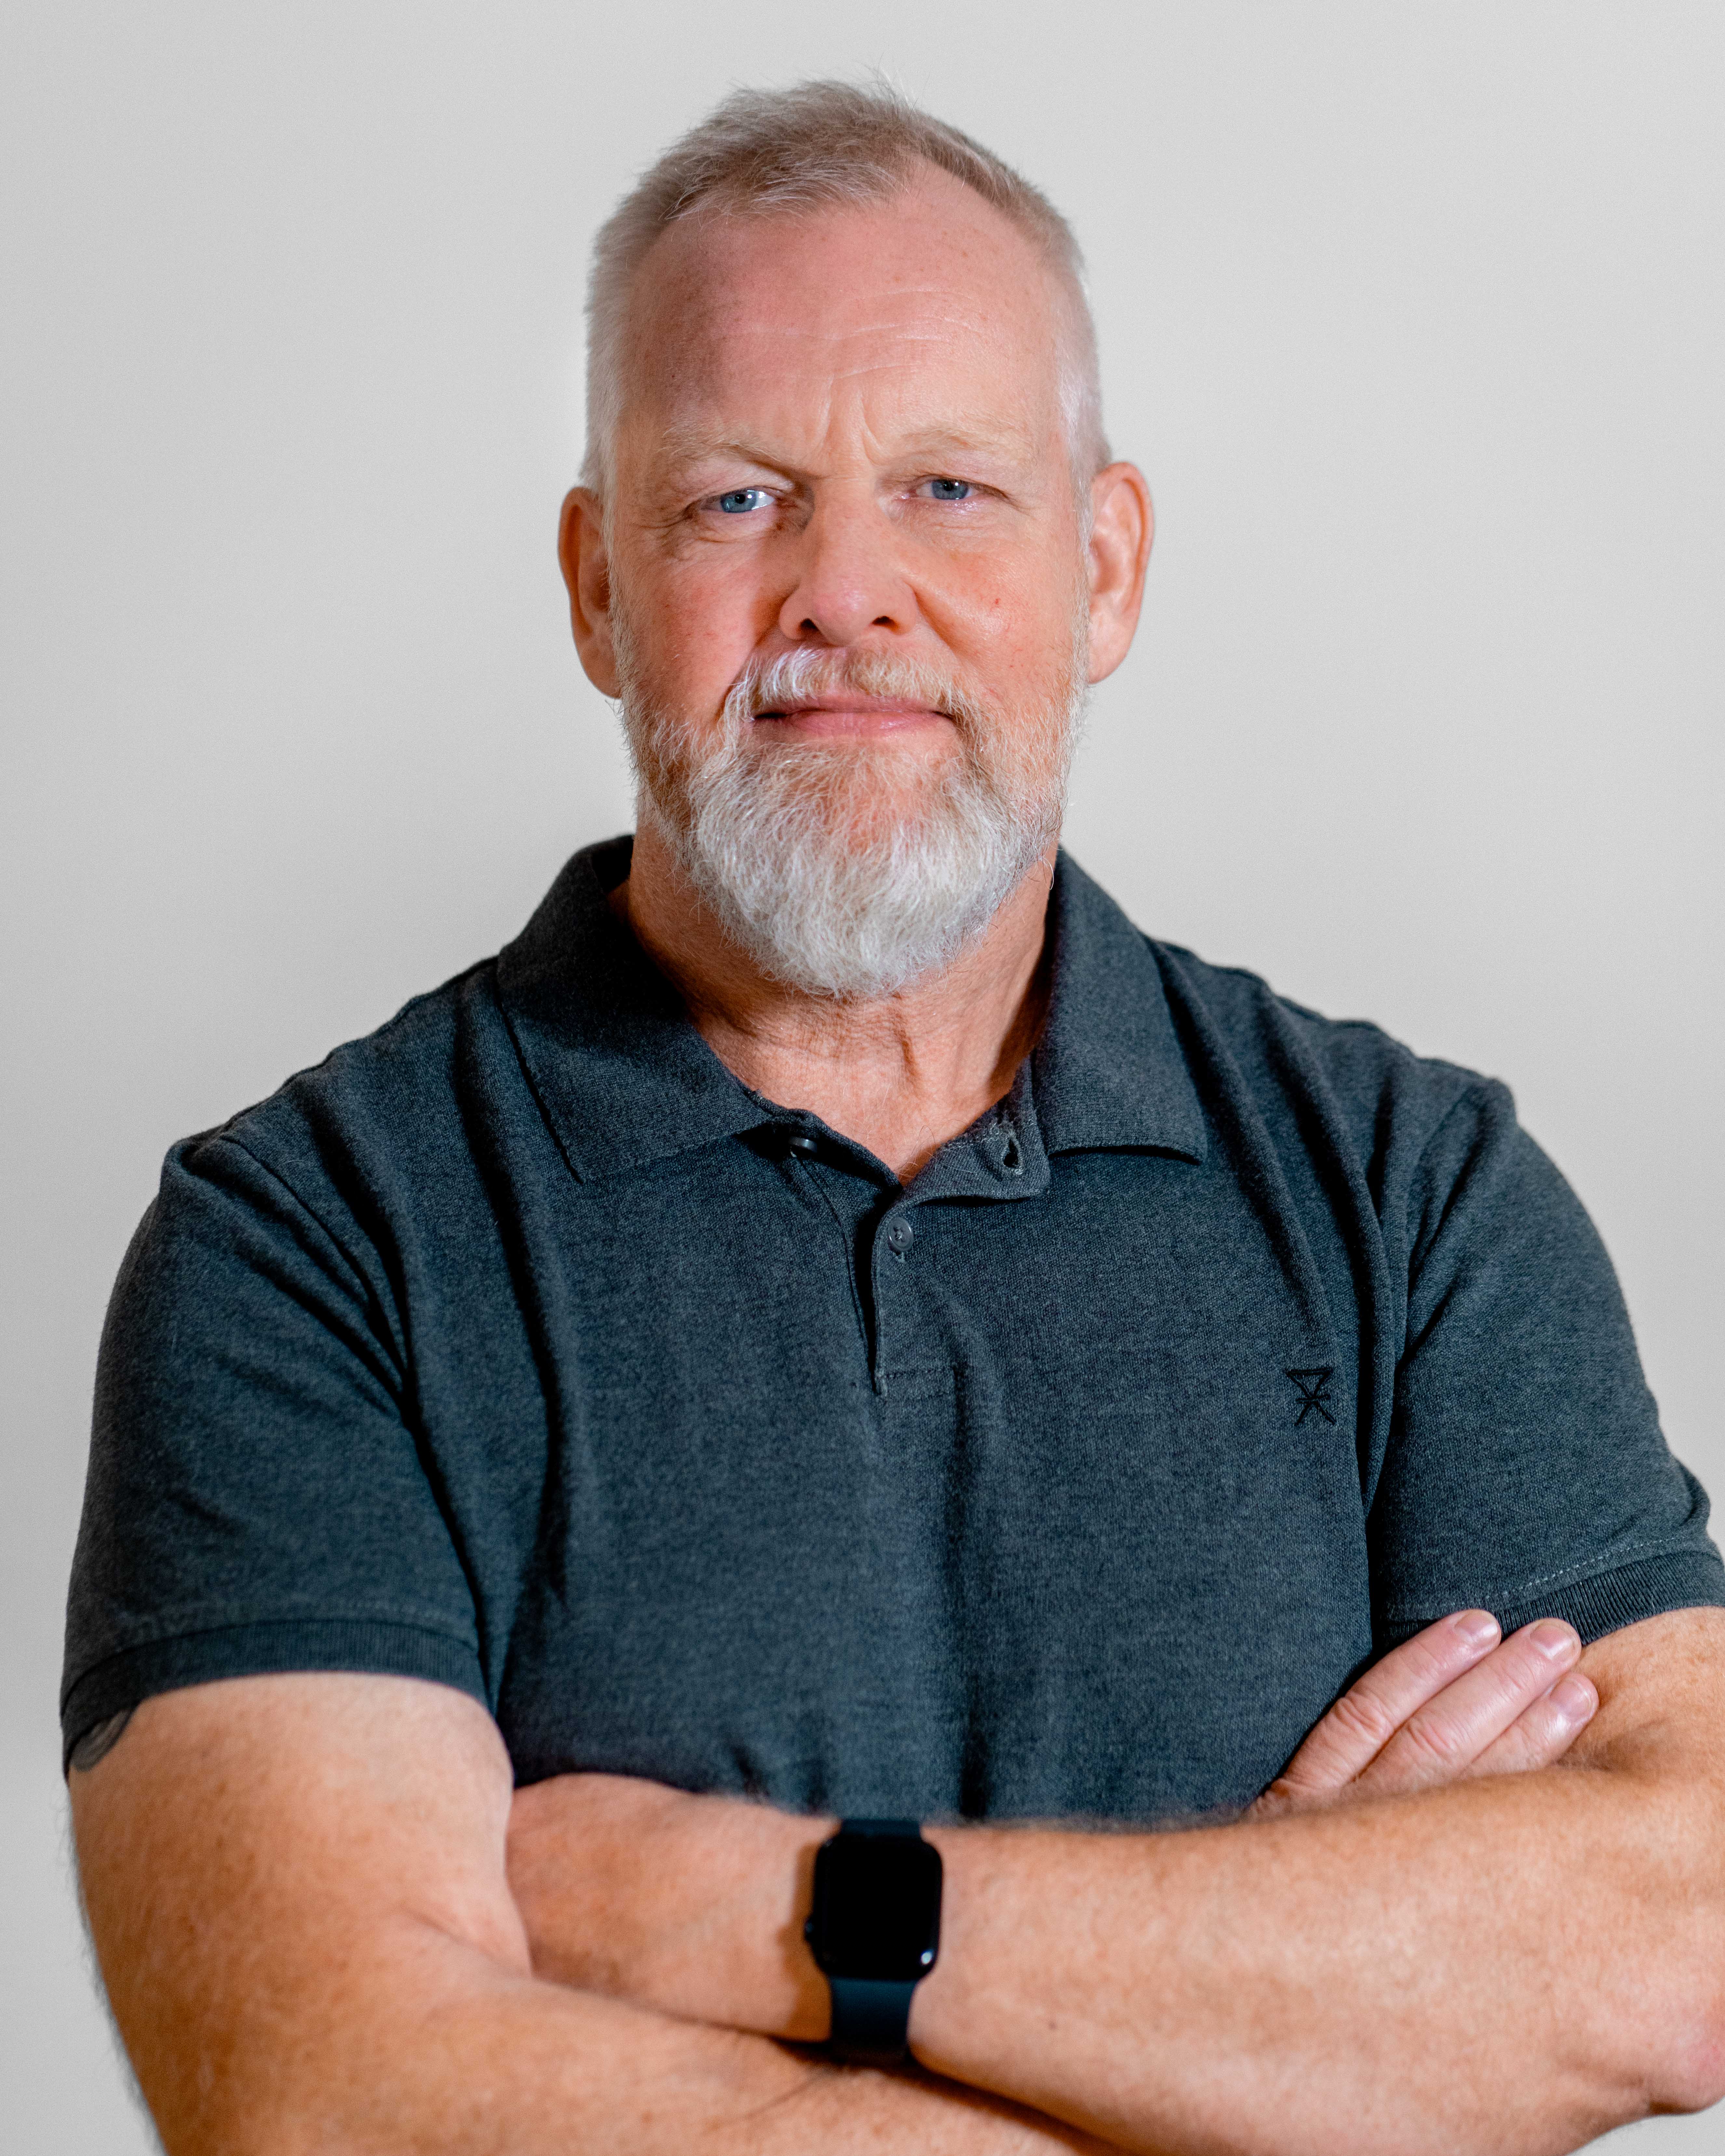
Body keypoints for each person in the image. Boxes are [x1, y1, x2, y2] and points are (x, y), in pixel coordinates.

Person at [64, 80, 1725, 2156]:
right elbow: (343, 2096)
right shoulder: (307, 1246)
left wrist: (748, 1912)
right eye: (736, 499)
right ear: (596, 585)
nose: (846, 591)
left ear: (1102, 569)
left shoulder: (1413, 1193)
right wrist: (1283, 2009)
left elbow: (1678, 1934)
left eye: (948, 487)